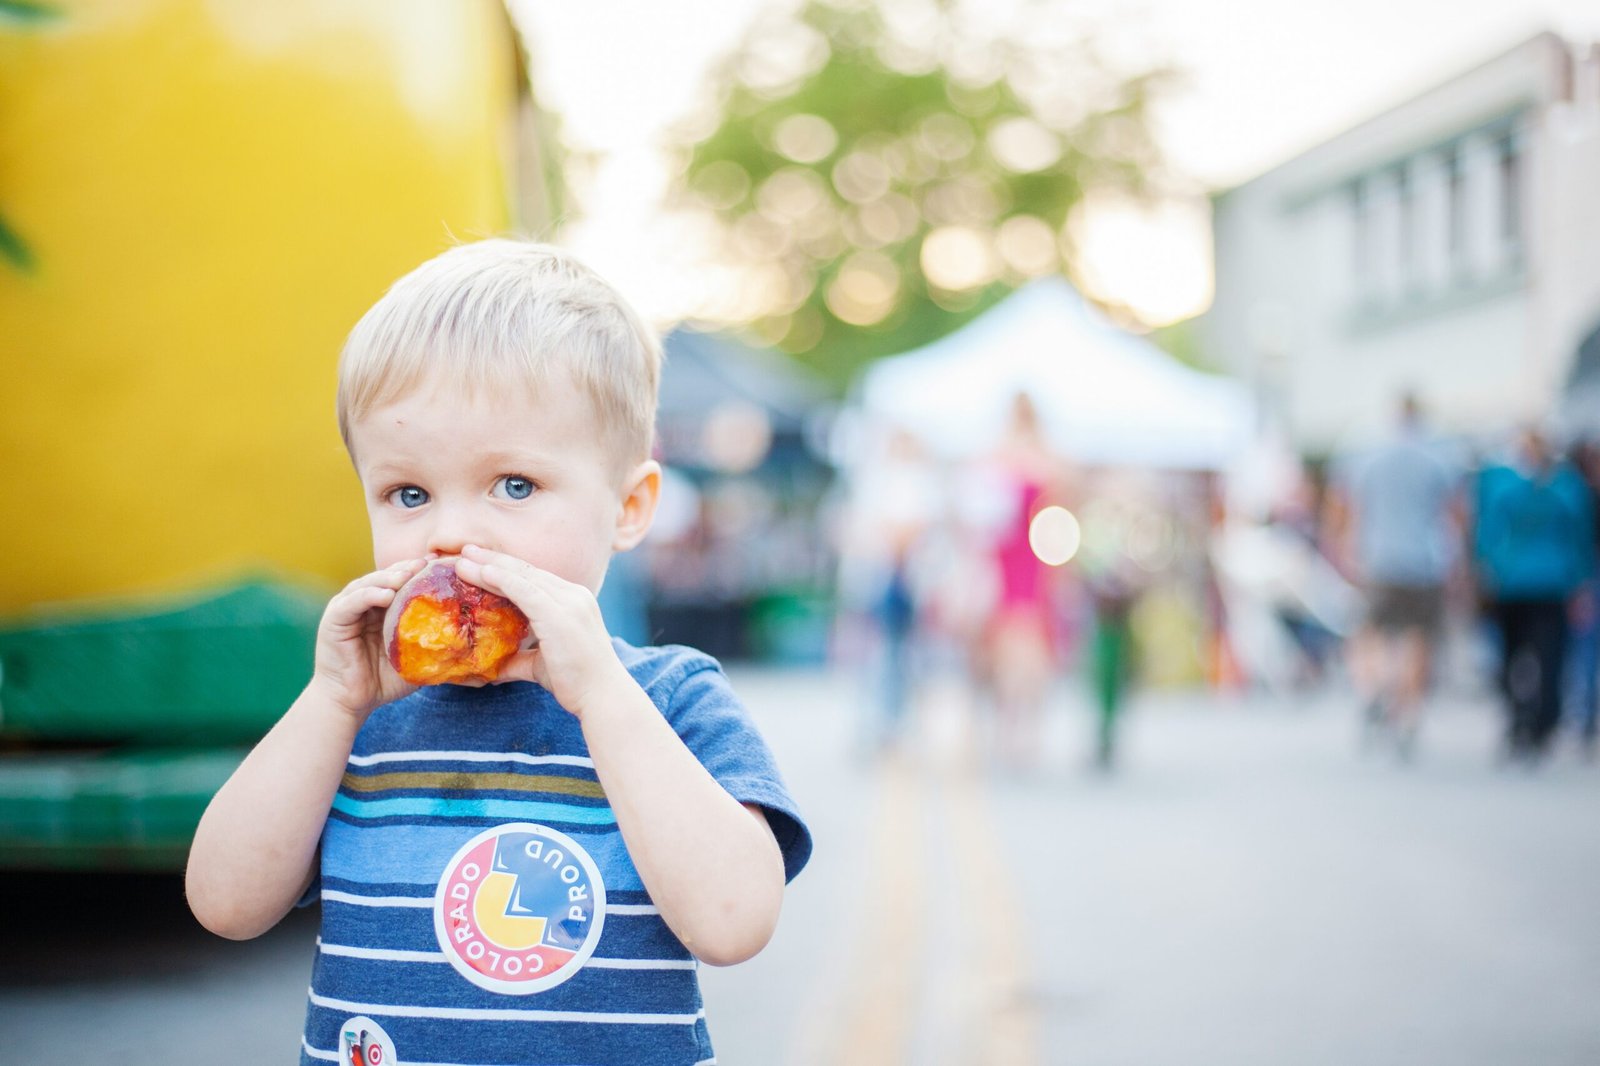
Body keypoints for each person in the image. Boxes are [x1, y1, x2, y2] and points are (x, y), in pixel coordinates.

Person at [185, 240, 812, 1066]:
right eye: (408, 493)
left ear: (628, 507)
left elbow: (733, 922)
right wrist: (330, 704)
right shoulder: (360, 714)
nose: (449, 533)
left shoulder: (669, 699)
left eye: (513, 486)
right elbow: (225, 903)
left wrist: (603, 699)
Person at [1327, 394, 1464, 758]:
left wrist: (1346, 551)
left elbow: (1346, 509)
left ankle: (1376, 688)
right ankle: (1407, 712)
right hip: (1424, 562)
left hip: (1377, 560)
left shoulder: (1368, 457)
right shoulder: (1438, 459)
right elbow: (1456, 514)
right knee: (1418, 639)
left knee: (1372, 633)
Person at [1473, 426, 1595, 763]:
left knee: (1514, 653)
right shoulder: (1565, 485)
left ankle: (1521, 715)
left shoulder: (1503, 483)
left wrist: (1484, 568)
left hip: (1514, 581)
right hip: (1548, 582)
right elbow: (1578, 536)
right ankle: (1541, 719)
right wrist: (1581, 579)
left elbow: (1487, 530)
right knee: (1549, 655)